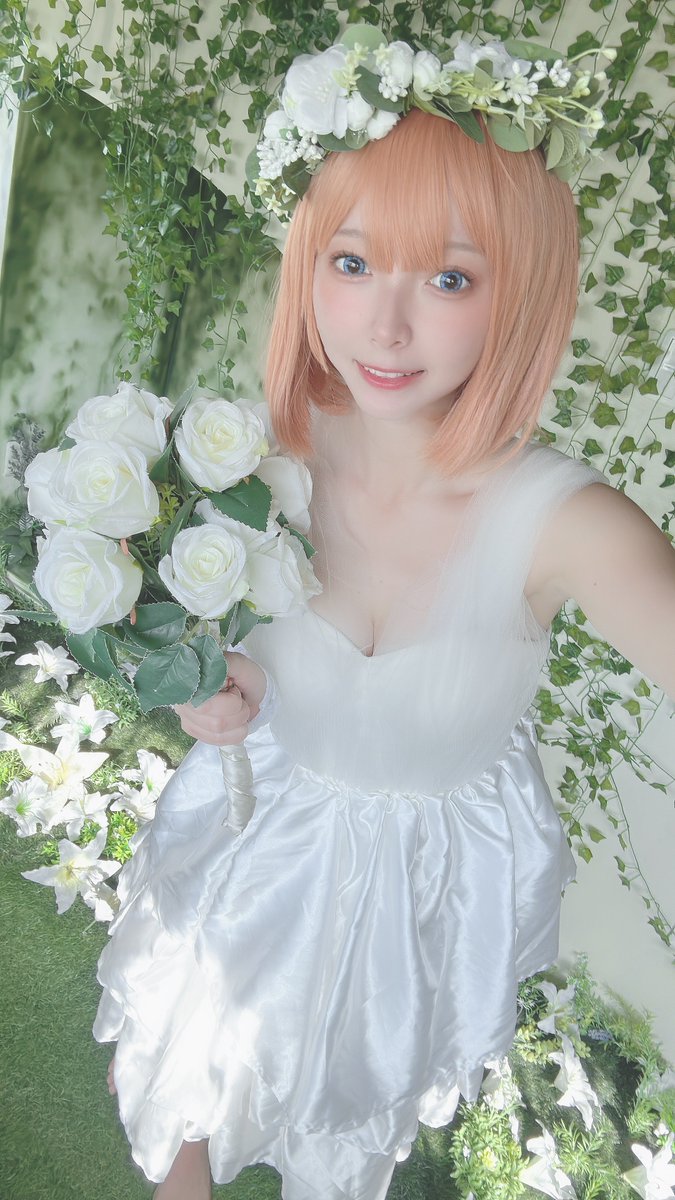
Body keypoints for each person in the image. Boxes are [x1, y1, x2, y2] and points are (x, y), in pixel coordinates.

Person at [94, 32, 675, 1200]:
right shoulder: (262, 452)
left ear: (523, 290)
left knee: (346, 1102)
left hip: (414, 898)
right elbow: (219, 643)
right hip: (253, 831)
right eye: (353, 263)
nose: (385, 327)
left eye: (450, 279)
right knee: (193, 1043)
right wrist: (210, 689)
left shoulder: (567, 527)